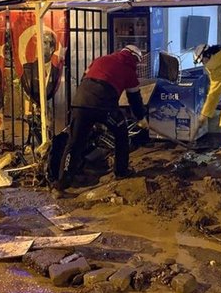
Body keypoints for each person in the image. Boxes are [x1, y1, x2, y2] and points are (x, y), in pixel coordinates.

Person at [57, 45, 148, 190]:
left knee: (74, 142)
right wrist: (141, 118)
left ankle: (62, 183)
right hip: (104, 106)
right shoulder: (129, 70)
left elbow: (84, 78)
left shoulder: (101, 59)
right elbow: (134, 98)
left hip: (80, 102)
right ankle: (121, 171)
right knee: (121, 133)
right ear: (135, 58)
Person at [21, 30, 61, 105]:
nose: (39, 46)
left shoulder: (56, 72)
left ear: (51, 49)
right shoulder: (27, 70)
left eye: (44, 43)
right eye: (38, 42)